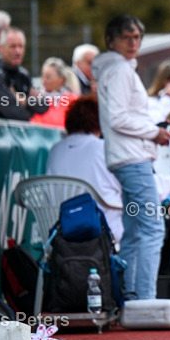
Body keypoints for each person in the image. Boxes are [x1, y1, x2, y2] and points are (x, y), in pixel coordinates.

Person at [92, 14, 170, 301]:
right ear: (110, 40)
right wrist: (154, 132)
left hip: (126, 157)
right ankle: (144, 299)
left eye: (137, 37)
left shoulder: (115, 69)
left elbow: (119, 117)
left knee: (136, 230)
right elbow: (118, 118)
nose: (133, 42)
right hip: (133, 159)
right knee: (152, 229)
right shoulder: (120, 70)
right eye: (126, 37)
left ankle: (129, 297)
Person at [46, 96, 125, 244]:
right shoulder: (103, 149)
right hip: (103, 231)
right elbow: (129, 186)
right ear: (100, 123)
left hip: (60, 231)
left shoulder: (55, 150)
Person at [0, 28, 49, 121]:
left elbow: (44, 105)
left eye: (21, 46)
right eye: (13, 47)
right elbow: (12, 112)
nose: (18, 51)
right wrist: (31, 108)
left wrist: (24, 101)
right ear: (0, 48)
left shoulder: (23, 74)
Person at [30, 57, 81, 128]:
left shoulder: (72, 99)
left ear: (61, 80)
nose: (44, 80)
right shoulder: (36, 98)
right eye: (43, 76)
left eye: (48, 77)